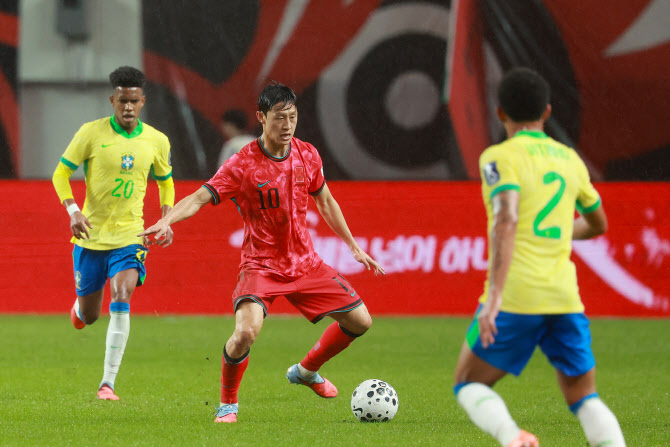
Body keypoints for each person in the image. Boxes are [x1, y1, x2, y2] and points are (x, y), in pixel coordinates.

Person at [140, 81, 384, 423]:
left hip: (306, 264)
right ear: (261, 117)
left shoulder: (307, 154)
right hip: (261, 266)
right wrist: (167, 220)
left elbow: (326, 201)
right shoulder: (242, 164)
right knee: (245, 334)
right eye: (279, 117)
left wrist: (353, 246)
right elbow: (199, 197)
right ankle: (228, 404)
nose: (287, 125)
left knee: (361, 322)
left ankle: (306, 371)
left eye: (292, 117)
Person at [453, 67, 626, 447]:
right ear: (547, 111)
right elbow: (598, 223)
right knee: (584, 396)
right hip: (565, 297)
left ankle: (513, 438)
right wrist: (561, 230)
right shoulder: (569, 159)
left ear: (500, 112)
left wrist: (494, 299)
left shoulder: (498, 157)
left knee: (467, 382)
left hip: (517, 296)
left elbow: (507, 218)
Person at [52, 66, 175, 401]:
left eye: (134, 101)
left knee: (122, 293)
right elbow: (60, 174)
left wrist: (166, 219)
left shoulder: (157, 140)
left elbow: (166, 182)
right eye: (122, 101)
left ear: (143, 101)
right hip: (91, 236)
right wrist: (73, 211)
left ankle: (107, 383)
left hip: (131, 235)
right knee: (90, 315)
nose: (128, 107)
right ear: (112, 101)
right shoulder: (90, 133)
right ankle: (80, 310)